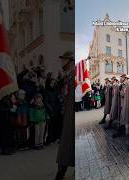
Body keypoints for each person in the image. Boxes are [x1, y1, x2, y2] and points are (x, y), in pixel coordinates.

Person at [55, 51, 74, 180]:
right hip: (67, 114)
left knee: (68, 143)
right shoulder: (67, 77)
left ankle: (61, 171)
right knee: (68, 143)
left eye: (64, 59)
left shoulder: (74, 77)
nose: (62, 62)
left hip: (71, 116)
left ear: (70, 61)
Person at [113, 74, 129, 138]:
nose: (120, 78)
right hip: (122, 103)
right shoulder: (123, 85)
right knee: (122, 117)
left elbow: (122, 93)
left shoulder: (128, 85)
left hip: (126, 104)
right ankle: (122, 130)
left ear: (126, 78)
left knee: (125, 118)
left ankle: (127, 134)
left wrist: (121, 92)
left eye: (122, 77)